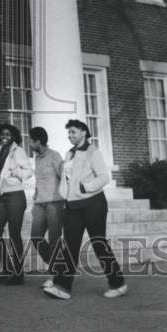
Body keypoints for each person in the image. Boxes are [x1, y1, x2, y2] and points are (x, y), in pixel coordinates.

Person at [44, 119, 127, 301]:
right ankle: (62, 287)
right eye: (69, 133)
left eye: (73, 132)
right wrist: (65, 195)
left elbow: (104, 177)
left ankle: (118, 284)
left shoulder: (93, 151)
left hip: (93, 204)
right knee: (70, 246)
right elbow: (66, 179)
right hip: (73, 205)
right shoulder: (69, 154)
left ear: (83, 132)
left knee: (98, 243)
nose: (70, 135)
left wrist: (85, 188)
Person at [0, 123, 33, 285]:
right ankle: (7, 269)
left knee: (14, 234)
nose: (4, 137)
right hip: (1, 196)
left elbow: (29, 171)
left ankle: (18, 274)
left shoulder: (18, 151)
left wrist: (16, 173)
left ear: (13, 136)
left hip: (15, 195)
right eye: (2, 134)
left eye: (7, 134)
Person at [28, 126, 64, 289]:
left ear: (38, 141)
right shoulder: (36, 158)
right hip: (40, 204)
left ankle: (56, 276)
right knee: (36, 237)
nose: (29, 144)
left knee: (55, 240)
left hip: (54, 203)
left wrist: (66, 199)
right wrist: (35, 198)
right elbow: (39, 180)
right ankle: (58, 268)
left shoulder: (55, 156)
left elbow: (65, 177)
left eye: (31, 140)